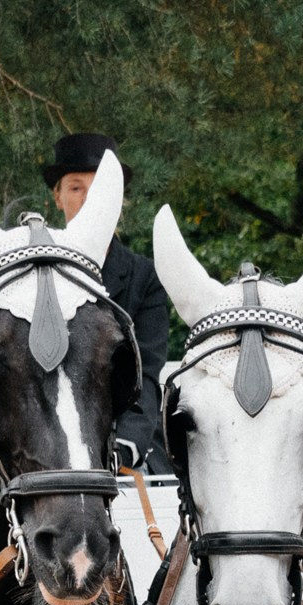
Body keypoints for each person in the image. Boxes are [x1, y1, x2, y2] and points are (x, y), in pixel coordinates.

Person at [44, 132, 172, 470]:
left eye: (100, 189)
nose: (88, 200)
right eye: (75, 188)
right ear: (58, 198)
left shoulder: (145, 278)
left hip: (126, 442)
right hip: (46, 439)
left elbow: (144, 374)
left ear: (118, 199)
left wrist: (124, 447)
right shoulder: (35, 274)